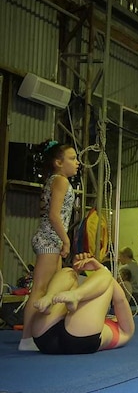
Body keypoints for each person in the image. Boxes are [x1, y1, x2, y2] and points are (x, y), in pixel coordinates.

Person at [19, 141, 80, 351]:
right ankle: (27, 338)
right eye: (72, 158)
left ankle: (42, 332)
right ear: (58, 162)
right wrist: (66, 239)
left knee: (52, 289)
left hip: (50, 238)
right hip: (48, 239)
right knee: (40, 289)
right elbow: (54, 216)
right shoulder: (60, 181)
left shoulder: (55, 181)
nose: (77, 163)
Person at [29, 252, 135, 354]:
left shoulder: (126, 332)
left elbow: (120, 300)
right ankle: (51, 296)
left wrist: (100, 268)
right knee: (69, 272)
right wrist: (78, 269)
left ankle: (73, 295)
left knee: (105, 274)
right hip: (62, 335)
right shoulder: (94, 320)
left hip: (52, 338)